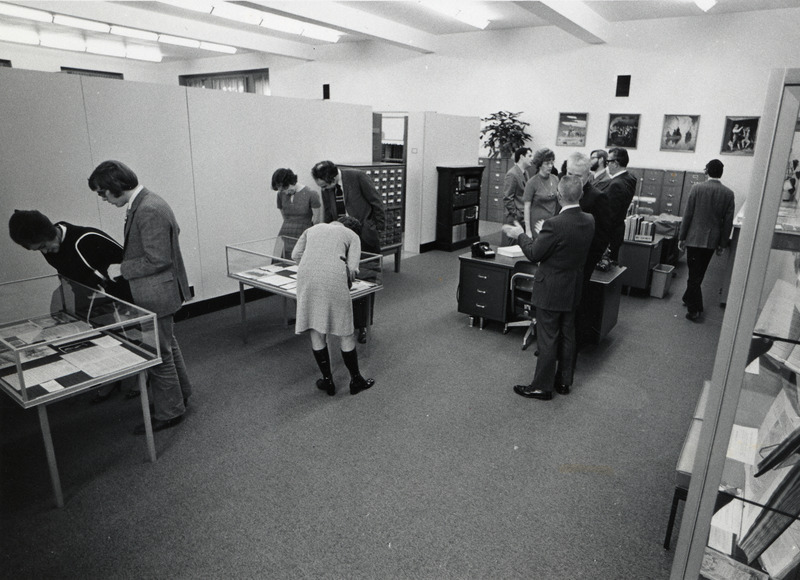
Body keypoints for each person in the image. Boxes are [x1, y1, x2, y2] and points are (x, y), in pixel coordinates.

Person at [88, 160, 192, 434]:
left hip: (156, 292)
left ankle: (171, 412)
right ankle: (181, 393)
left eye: (102, 192)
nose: (103, 199)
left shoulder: (148, 209)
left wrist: (122, 268)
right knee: (167, 346)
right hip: (157, 290)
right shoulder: (146, 202)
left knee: (159, 354)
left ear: (114, 186)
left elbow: (159, 258)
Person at [502, 175, 595, 401]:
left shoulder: (554, 224)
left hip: (551, 289)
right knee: (567, 334)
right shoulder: (589, 219)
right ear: (581, 195)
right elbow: (566, 245)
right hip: (572, 287)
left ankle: (542, 387)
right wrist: (547, 232)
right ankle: (564, 381)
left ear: (559, 197)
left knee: (548, 337)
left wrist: (520, 235)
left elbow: (535, 253)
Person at [292, 216, 374, 396]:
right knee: (345, 330)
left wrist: (314, 267)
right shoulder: (352, 235)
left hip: (306, 277)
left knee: (316, 327)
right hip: (334, 278)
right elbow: (352, 269)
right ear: (353, 228)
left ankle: (327, 380)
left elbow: (295, 255)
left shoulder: (313, 229)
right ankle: (356, 380)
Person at [312, 160, 386, 344]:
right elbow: (329, 213)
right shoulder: (327, 187)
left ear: (333, 176)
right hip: (342, 237)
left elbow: (376, 201)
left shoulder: (357, 176)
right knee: (344, 281)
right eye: (322, 186)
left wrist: (376, 228)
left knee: (365, 280)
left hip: (365, 236)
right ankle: (345, 322)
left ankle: (362, 326)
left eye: (326, 185)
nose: (325, 188)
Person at [564, 152, 614, 349]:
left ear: (588, 176)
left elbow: (603, 235)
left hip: (581, 262)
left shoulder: (597, 198)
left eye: (578, 176)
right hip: (561, 261)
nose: (572, 180)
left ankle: (573, 346)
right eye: (569, 174)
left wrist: (587, 259)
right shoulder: (564, 190)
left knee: (577, 304)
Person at [678, 159, 735, 323]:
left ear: (707, 171)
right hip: (712, 239)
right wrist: (723, 244)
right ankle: (688, 297)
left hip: (694, 238)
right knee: (699, 272)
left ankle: (695, 309)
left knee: (694, 273)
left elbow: (688, 214)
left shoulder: (697, 188)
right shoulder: (728, 193)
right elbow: (727, 222)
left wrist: (682, 237)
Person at [271, 168, 321, 259]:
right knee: (280, 261)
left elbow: (317, 220)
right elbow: (285, 216)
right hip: (285, 232)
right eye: (282, 190)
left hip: (304, 232)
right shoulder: (280, 195)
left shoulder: (312, 194)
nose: (285, 192)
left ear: (292, 181)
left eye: (286, 188)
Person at [604, 147, 637, 262]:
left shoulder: (615, 184)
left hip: (610, 234)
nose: (607, 165)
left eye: (608, 162)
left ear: (616, 163)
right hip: (618, 230)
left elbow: (609, 215)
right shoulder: (630, 178)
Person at [522, 148, 560, 237]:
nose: (550, 166)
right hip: (536, 223)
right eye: (547, 163)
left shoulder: (555, 179)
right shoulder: (532, 183)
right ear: (539, 165)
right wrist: (528, 230)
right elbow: (526, 207)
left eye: (552, 163)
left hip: (551, 222)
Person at [500, 147, 533, 246]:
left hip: (523, 215)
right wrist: (516, 214)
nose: (532, 159)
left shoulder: (525, 173)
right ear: (522, 157)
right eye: (530, 156)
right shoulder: (512, 174)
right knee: (513, 246)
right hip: (516, 217)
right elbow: (507, 197)